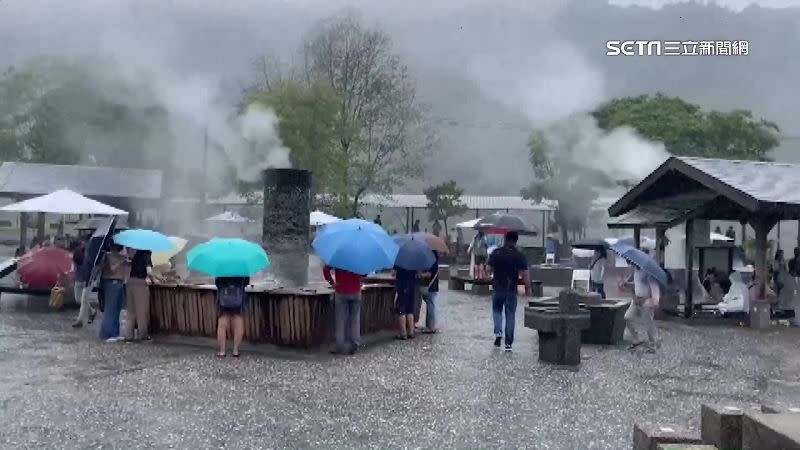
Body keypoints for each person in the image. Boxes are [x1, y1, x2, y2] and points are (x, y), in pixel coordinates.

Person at [486, 231, 531, 351]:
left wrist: (491, 268)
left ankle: (498, 332)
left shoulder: (496, 252)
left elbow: (488, 269)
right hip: (511, 290)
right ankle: (508, 344)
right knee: (510, 315)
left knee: (497, 311)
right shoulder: (519, 255)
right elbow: (525, 275)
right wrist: (528, 290)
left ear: (505, 239)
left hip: (498, 288)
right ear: (516, 241)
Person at [323, 265, 362, 355]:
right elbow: (364, 273)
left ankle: (340, 346)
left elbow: (325, 270)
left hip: (341, 291)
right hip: (356, 290)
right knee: (355, 319)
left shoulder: (337, 257)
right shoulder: (358, 257)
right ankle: (355, 344)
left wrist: (332, 283)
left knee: (340, 320)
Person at [624, 262, 661, 353]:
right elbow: (637, 284)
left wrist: (655, 300)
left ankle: (653, 345)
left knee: (648, 323)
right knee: (628, 317)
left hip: (646, 300)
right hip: (636, 300)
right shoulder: (635, 271)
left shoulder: (649, 272)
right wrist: (627, 284)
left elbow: (654, 285)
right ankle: (637, 338)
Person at [123, 249, 159, 341]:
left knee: (131, 311)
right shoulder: (146, 254)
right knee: (142, 311)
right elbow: (149, 271)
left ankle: (128, 335)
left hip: (130, 282)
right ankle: (143, 335)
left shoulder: (136, 254)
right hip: (140, 284)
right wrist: (155, 278)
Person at [99, 244, 130, 341]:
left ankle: (115, 333)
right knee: (110, 309)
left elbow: (127, 268)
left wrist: (126, 261)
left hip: (120, 283)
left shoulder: (121, 256)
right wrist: (121, 261)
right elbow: (112, 269)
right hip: (111, 282)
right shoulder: (107, 256)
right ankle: (107, 334)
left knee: (117, 309)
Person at [215, 276, 249, 357]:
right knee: (238, 322)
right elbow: (246, 282)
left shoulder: (221, 266)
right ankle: (235, 350)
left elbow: (217, 283)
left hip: (224, 299)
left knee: (222, 325)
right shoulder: (242, 267)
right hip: (238, 299)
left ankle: (222, 351)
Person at [71, 239, 97, 328]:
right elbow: (75, 268)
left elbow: (90, 270)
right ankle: (92, 311)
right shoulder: (78, 256)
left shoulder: (89, 258)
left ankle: (80, 320)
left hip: (88, 281)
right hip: (80, 280)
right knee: (78, 299)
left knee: (83, 299)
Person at [393, 265, 418, 340]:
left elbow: (393, 273)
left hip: (402, 284)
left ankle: (403, 333)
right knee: (410, 309)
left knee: (401, 308)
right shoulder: (414, 259)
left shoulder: (400, 259)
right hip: (412, 285)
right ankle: (411, 332)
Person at [420, 251, 440, 333]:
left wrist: (421, 274)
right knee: (430, 304)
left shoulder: (432, 260)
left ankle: (431, 326)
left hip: (430, 285)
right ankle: (429, 325)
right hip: (430, 285)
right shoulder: (432, 258)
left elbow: (430, 274)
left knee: (430, 305)